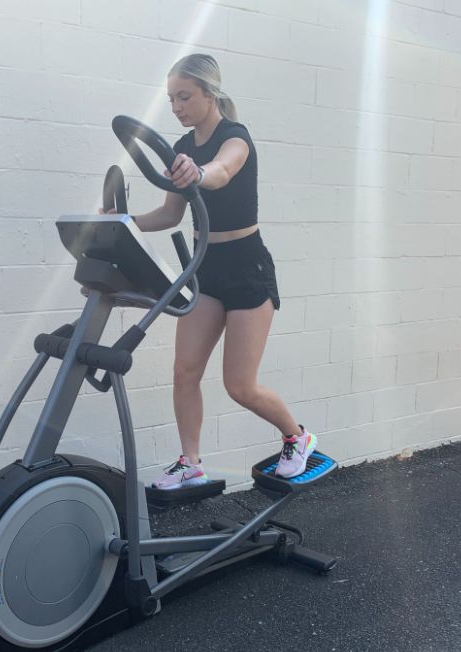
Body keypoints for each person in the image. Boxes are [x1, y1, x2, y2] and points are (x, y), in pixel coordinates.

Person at [120, 54, 316, 484]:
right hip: (205, 269)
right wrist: (123, 222)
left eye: (185, 96)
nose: (177, 107)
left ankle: (296, 436)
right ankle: (190, 463)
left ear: (211, 93)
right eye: (171, 99)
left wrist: (198, 172)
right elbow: (170, 215)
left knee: (239, 386)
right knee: (184, 371)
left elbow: (222, 171)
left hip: (247, 268)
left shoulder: (235, 137)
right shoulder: (181, 148)